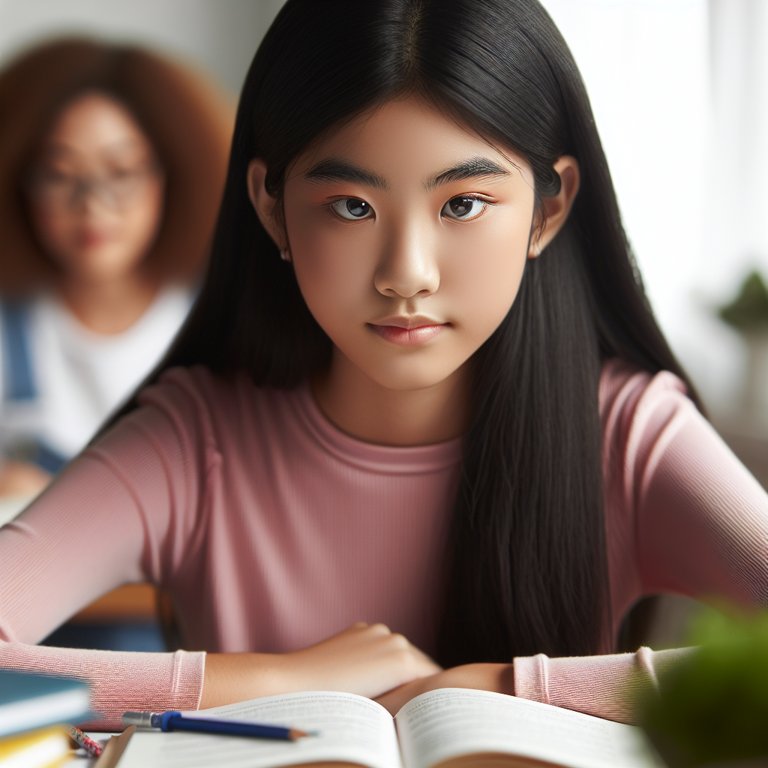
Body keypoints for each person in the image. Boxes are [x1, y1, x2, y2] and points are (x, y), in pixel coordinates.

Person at [0, 0, 766, 730]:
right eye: (352, 207)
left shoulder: (628, 434)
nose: (407, 274)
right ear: (273, 208)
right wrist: (277, 681)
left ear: (548, 208)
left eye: (463, 203)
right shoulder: (191, 439)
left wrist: (506, 687)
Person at [0, 36, 233, 499]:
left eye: (122, 173)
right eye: (59, 175)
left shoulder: (226, 319)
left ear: (170, 175)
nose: (92, 206)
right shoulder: (9, 326)